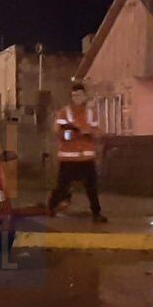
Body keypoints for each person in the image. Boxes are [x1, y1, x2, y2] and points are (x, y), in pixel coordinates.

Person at [48, 83, 108, 223]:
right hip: (68, 159)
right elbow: (58, 132)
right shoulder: (64, 112)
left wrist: (89, 133)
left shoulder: (90, 113)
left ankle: (96, 213)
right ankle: (51, 207)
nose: (77, 98)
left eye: (80, 95)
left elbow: (98, 132)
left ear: (85, 96)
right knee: (61, 187)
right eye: (74, 95)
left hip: (87, 158)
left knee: (92, 188)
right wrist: (74, 134)